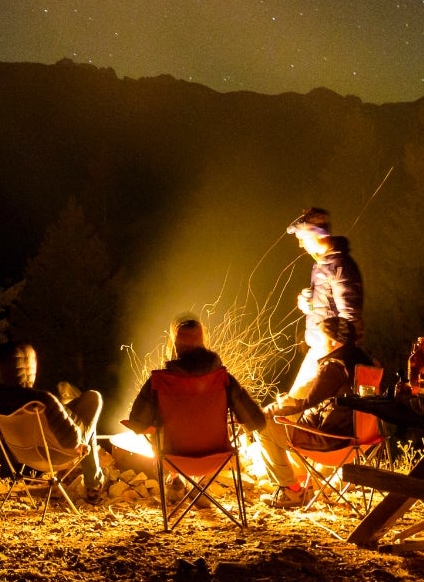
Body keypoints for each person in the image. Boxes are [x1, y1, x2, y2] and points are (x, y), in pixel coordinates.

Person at [102, 317, 269, 483]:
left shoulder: (159, 381)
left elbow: (138, 423)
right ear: (203, 344)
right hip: (217, 458)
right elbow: (257, 422)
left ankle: (175, 482)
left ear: (175, 346)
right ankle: (198, 487)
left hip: (172, 460)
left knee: (157, 431)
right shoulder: (223, 378)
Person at [254, 313, 370, 504]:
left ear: (333, 342)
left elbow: (306, 403)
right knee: (286, 414)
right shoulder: (365, 361)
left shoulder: (334, 366)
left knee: (263, 425)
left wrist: (272, 410)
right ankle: (299, 483)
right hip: (361, 437)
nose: (317, 344)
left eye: (321, 338)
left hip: (331, 440)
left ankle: (290, 491)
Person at [0, 342, 105, 496]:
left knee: (74, 409)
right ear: (31, 368)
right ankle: (94, 484)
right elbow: (72, 440)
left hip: (23, 455)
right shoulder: (43, 401)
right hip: (56, 456)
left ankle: (93, 483)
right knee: (93, 398)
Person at [285, 206, 370, 402]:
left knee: (294, 406)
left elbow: (350, 317)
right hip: (319, 350)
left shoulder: (340, 266)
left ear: (317, 234)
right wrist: (310, 305)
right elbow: (328, 307)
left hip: (329, 353)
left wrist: (335, 357)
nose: (300, 244)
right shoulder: (322, 264)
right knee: (296, 408)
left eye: (302, 237)